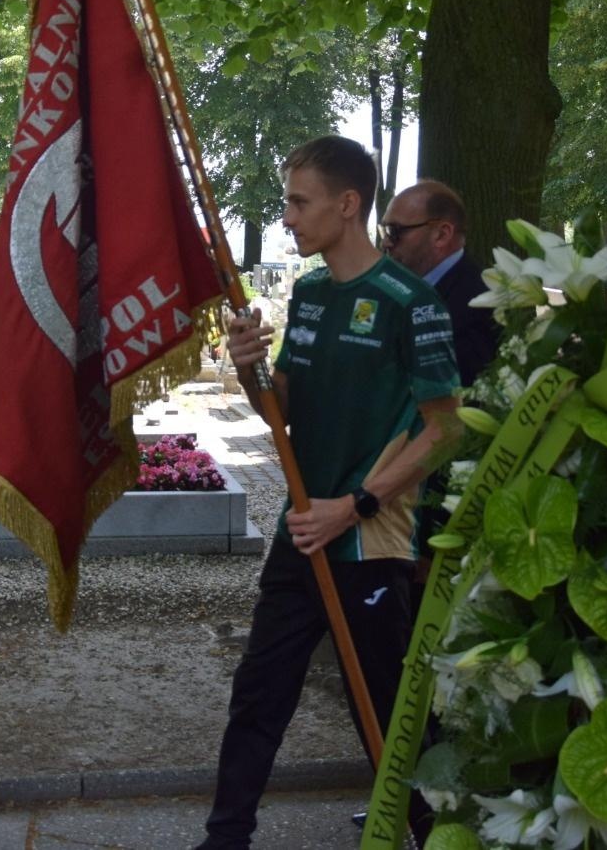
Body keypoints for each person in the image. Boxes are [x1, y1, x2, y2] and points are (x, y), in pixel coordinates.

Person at [196, 136, 461, 850]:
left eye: (298, 201)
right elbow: (279, 412)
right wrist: (251, 371)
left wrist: (360, 502)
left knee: (389, 705)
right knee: (259, 691)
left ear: (347, 205)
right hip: (302, 529)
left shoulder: (413, 302)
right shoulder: (309, 295)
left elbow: (445, 426)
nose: (286, 216)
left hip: (367, 538)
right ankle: (226, 838)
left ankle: (437, 833)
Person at [379, 180, 500, 387]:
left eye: (395, 231)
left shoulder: (478, 305)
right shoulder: (398, 289)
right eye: (384, 231)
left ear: (442, 235)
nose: (386, 243)